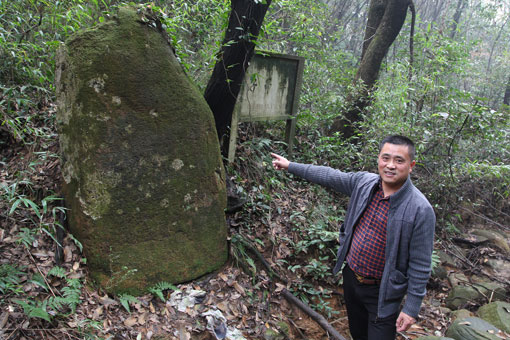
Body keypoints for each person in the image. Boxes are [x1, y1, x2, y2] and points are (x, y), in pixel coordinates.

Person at [271, 135, 435, 340]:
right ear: (378, 159)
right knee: (358, 334)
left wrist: (411, 308)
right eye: (386, 158)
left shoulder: (420, 209)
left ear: (411, 166)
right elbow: (329, 176)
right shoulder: (364, 183)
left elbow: (420, 264)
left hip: (383, 293)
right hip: (351, 279)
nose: (390, 165)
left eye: (399, 161)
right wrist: (290, 165)